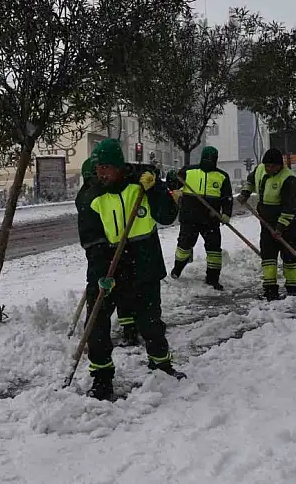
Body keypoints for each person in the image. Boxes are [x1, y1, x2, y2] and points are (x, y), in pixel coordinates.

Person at [77, 138, 185, 400]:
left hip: (143, 263)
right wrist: (100, 276)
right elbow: (91, 241)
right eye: (98, 168)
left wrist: (156, 190)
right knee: (97, 326)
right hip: (110, 266)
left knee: (150, 322)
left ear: (118, 166)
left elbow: (168, 215)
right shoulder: (91, 196)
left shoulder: (142, 185)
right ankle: (102, 378)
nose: (101, 173)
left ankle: (161, 364)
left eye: (106, 167)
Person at [75, 155, 139, 347]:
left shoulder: (94, 194)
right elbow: (92, 234)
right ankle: (95, 338)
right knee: (101, 297)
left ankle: (126, 328)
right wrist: (102, 255)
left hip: (113, 252)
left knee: (121, 291)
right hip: (100, 253)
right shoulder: (89, 197)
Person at [237, 148, 296, 301]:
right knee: (268, 257)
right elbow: (251, 180)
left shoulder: (289, 179)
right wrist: (245, 193)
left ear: (280, 165)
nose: (269, 169)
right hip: (266, 222)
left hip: (287, 223)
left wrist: (280, 228)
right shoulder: (260, 169)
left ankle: (292, 289)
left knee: (289, 256)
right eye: (267, 166)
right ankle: (270, 290)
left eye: (273, 166)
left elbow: (289, 207)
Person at [169, 146, 233, 290]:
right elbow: (173, 184)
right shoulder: (188, 171)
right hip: (190, 217)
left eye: (212, 159)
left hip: (211, 219)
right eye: (206, 159)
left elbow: (227, 198)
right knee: (184, 246)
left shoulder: (222, 176)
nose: (209, 162)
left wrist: (226, 214)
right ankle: (177, 269)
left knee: (214, 251)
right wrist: (172, 177)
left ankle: (213, 278)